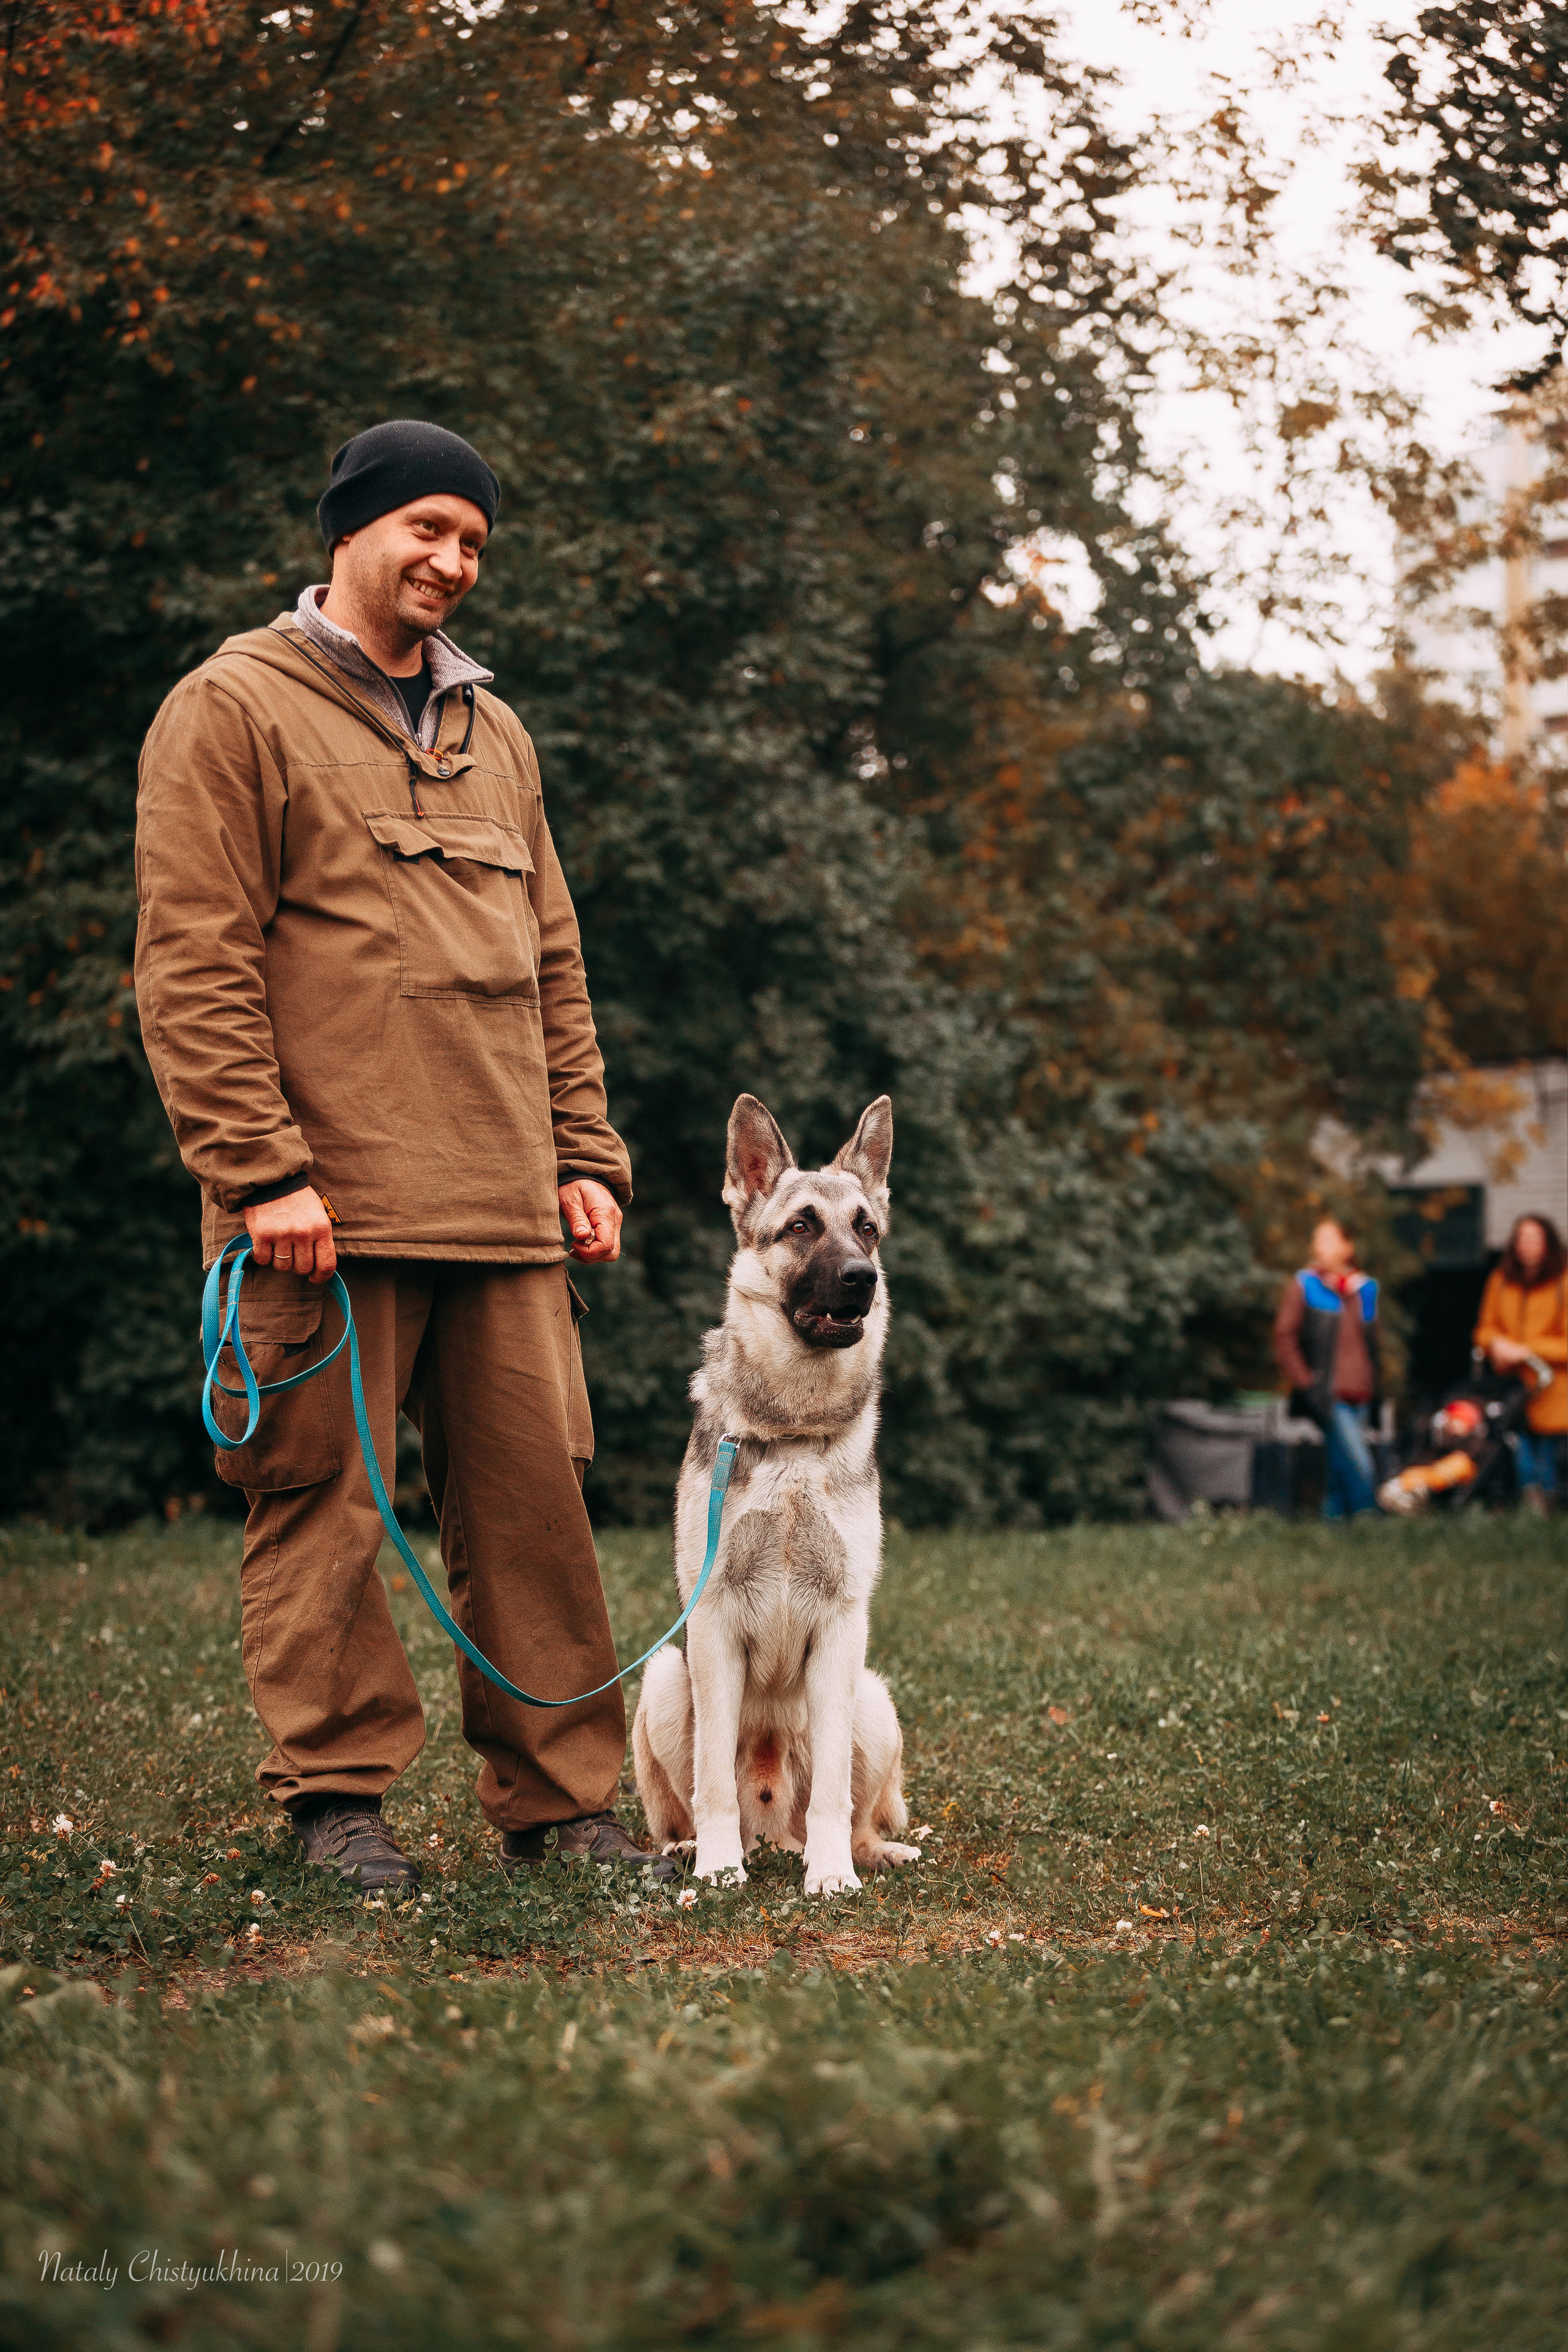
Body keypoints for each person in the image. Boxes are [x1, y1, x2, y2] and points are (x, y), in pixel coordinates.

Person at [135, 419, 676, 1890]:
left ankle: (562, 1806)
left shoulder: (496, 731)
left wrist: (586, 1152)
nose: (451, 561)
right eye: (428, 528)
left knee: (536, 1508)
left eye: (474, 543)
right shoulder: (231, 706)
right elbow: (193, 964)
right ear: (351, 528)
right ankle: (335, 1803)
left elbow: (551, 959)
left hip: (505, 1197)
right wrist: (258, 1170)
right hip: (325, 1206)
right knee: (318, 1504)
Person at [1273, 1217, 1383, 1520]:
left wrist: (1378, 1389)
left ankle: (1332, 1527)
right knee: (1361, 1463)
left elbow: (1374, 1346)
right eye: (1316, 1241)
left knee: (1339, 1465)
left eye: (1327, 1240)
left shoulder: (1367, 1290)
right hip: (1328, 1392)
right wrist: (1306, 1382)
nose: (1318, 1247)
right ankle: (1369, 1520)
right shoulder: (1305, 1285)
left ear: (1347, 1247)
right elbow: (1285, 1336)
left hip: (1362, 1391)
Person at [1473, 1214, 1568, 1513]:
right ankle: (1528, 1506)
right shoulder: (1500, 1281)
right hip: (1513, 1390)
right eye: (1522, 1239)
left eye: (1535, 1239)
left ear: (1548, 1244)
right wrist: (1495, 1344)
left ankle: (1549, 1507)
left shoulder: (1563, 1282)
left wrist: (1525, 1350)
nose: (1528, 1246)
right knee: (1518, 1451)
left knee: (1551, 1459)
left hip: (1555, 1391)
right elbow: (1484, 1329)